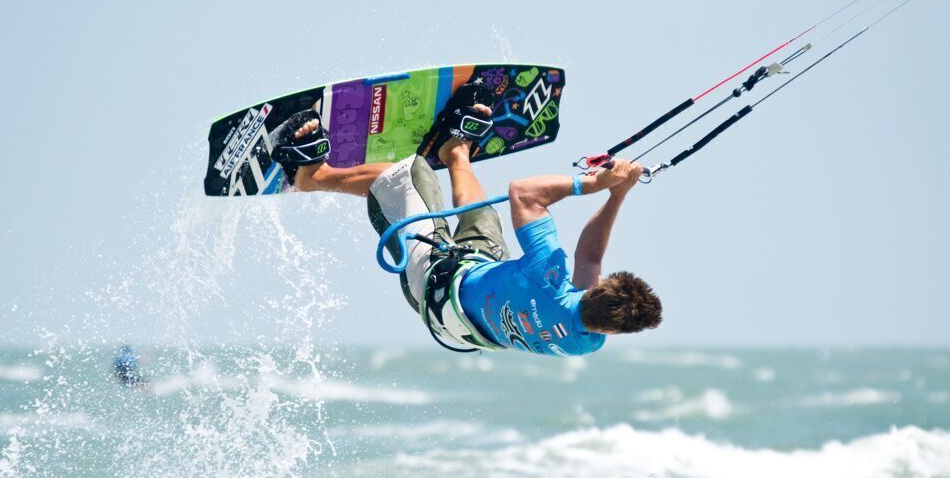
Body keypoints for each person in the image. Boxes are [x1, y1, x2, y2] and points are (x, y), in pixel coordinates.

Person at [268, 90, 662, 357]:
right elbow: (589, 257)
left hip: (435, 289)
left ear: (595, 293)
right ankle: (455, 150)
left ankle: (311, 178)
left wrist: (596, 184)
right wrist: (618, 196)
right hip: (472, 303)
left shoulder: (549, 273)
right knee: (483, 218)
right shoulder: (588, 342)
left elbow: (524, 193)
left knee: (410, 174)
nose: (594, 281)